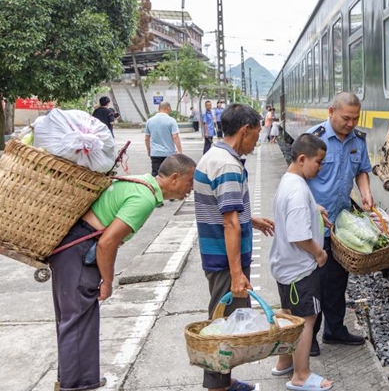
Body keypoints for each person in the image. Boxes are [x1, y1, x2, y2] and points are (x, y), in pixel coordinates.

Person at [50, 154, 196, 391]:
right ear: (175, 178)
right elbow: (108, 242)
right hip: (79, 252)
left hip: (71, 250)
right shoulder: (144, 198)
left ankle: (78, 380)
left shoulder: (140, 182)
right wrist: (107, 281)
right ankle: (75, 386)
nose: (190, 189)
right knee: (77, 322)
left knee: (75, 320)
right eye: (190, 182)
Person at [194, 103, 276, 391]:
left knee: (225, 322)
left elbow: (223, 209)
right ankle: (218, 387)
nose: (256, 142)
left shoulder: (214, 155)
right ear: (244, 130)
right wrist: (237, 273)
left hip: (215, 255)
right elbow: (229, 224)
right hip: (224, 261)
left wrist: (249, 219)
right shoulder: (228, 165)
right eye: (255, 135)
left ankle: (225, 382)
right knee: (224, 328)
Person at [305, 92, 373, 356]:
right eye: (346, 118)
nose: (351, 123)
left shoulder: (358, 141)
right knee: (315, 284)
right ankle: (309, 336)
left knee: (337, 281)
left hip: (341, 225)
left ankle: (334, 330)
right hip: (314, 225)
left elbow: (362, 171)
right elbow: (297, 178)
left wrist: (365, 191)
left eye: (356, 118)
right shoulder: (314, 139)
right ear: (331, 111)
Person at [270, 134, 334, 391]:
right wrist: (319, 253)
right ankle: (301, 375)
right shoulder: (297, 191)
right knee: (306, 318)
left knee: (288, 317)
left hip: (285, 266)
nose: (320, 167)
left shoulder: (289, 181)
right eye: (319, 162)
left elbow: (293, 212)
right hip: (300, 268)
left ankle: (284, 362)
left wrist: (314, 209)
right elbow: (299, 236)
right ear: (302, 158)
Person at [144, 102, 182, 177]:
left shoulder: (150, 121)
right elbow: (175, 137)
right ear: (168, 108)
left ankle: (155, 188)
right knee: (169, 175)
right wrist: (179, 151)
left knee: (156, 175)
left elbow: (146, 138)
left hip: (155, 153)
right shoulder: (171, 121)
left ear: (158, 109)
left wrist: (149, 150)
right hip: (169, 153)